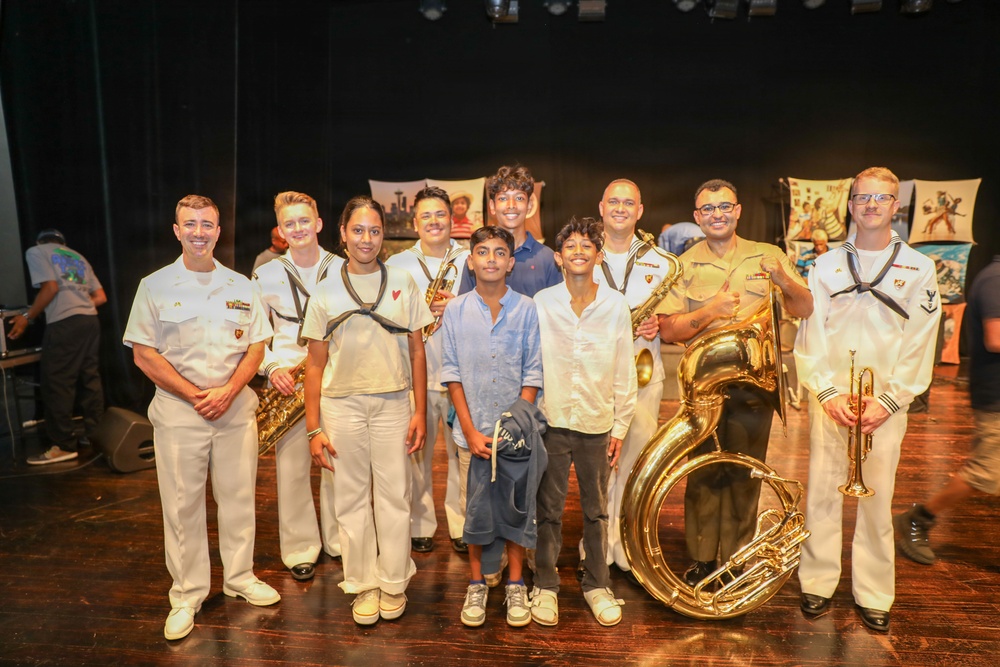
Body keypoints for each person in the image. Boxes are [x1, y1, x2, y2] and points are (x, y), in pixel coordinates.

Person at [123, 195, 279, 641]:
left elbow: (256, 346)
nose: (198, 232)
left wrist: (228, 390)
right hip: (179, 413)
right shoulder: (154, 286)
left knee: (238, 498)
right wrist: (196, 395)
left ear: (218, 230)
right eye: (189, 224)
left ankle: (240, 577)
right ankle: (187, 594)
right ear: (176, 230)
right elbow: (143, 354)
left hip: (233, 410)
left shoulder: (240, 285)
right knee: (181, 504)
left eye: (207, 224)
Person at [795, 167, 940, 632]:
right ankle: (817, 582)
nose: (872, 205)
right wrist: (826, 391)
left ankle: (874, 591)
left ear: (896, 206)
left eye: (882, 198)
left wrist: (892, 400)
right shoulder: (825, 265)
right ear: (851, 205)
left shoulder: (920, 267)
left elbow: (922, 340)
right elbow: (809, 334)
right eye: (863, 198)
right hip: (832, 400)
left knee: (878, 499)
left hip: (883, 406)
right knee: (821, 492)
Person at [658, 179, 813, 590]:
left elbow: (805, 307)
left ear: (738, 210)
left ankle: (735, 558)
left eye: (724, 206)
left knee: (744, 474)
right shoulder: (683, 264)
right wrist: (711, 310)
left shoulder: (770, 255)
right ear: (697, 217)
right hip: (705, 385)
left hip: (755, 384)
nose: (717, 215)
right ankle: (703, 558)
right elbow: (669, 330)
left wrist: (783, 281)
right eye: (707, 209)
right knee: (704, 474)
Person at [302, 195, 433, 626]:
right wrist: (313, 428)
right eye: (358, 230)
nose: (366, 239)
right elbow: (315, 363)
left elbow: (417, 351)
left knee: (396, 495)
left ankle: (394, 581)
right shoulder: (323, 291)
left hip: (395, 403)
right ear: (342, 233)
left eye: (375, 231)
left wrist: (418, 412)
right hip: (342, 409)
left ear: (384, 235)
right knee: (351, 499)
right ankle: (362, 583)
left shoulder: (403, 281)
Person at [531, 217, 637, 628]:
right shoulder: (542, 303)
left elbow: (624, 369)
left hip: (597, 422)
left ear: (599, 254)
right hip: (551, 421)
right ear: (558, 256)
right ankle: (545, 584)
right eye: (570, 245)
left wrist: (621, 425)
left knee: (596, 511)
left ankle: (597, 584)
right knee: (549, 510)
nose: (578, 250)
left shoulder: (614, 306)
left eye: (586, 245)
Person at [440, 225, 544, 628]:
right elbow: (451, 373)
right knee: (476, 511)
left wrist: (517, 425)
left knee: (517, 508)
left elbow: (532, 373)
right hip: (473, 433)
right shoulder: (455, 310)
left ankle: (516, 582)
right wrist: (468, 429)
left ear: (511, 262)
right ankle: (478, 582)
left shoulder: (527, 309)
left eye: (500, 253)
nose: (491, 260)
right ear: (471, 260)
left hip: (517, 434)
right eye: (482, 252)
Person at [253, 191, 342, 581]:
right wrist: (272, 368)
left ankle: (341, 541)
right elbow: (256, 335)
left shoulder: (343, 268)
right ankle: (301, 547)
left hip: (337, 378)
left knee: (337, 464)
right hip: (288, 382)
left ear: (318, 223)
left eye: (304, 221)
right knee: (290, 472)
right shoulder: (265, 274)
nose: (298, 229)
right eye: (290, 223)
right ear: (281, 230)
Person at [593, 179, 677, 584]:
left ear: (640, 211)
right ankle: (594, 545)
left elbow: (674, 318)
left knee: (633, 462)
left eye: (629, 203)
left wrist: (659, 322)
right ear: (602, 207)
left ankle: (623, 543)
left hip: (644, 374)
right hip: (594, 375)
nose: (621, 208)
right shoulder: (584, 255)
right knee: (597, 465)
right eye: (614, 202)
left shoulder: (661, 261)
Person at [895, 254, 998, 565]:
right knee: (986, 473)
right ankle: (919, 517)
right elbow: (995, 338)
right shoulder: (995, 279)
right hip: (996, 396)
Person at [385, 186, 470, 554]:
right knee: (416, 454)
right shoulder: (397, 264)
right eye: (426, 216)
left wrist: (459, 305)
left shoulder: (470, 258)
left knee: (461, 456)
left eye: (440, 215)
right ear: (414, 222)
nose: (434, 222)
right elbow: (387, 317)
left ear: (452, 219)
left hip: (460, 376)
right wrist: (421, 309)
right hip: (414, 376)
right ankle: (420, 523)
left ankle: (462, 524)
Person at [6, 229, 106, 465]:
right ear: (63, 242)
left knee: (57, 383)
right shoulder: (77, 256)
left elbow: (50, 288)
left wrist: (26, 318)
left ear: (41, 241)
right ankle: (96, 436)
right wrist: (79, 305)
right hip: (89, 321)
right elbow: (100, 297)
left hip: (64, 324)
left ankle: (63, 445)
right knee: (89, 379)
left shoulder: (37, 251)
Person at [459, 165, 562, 298]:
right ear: (492, 206)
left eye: (519, 198)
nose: (511, 205)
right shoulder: (478, 258)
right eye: (503, 198)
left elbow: (555, 312)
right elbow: (465, 310)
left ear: (530, 205)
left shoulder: (548, 258)